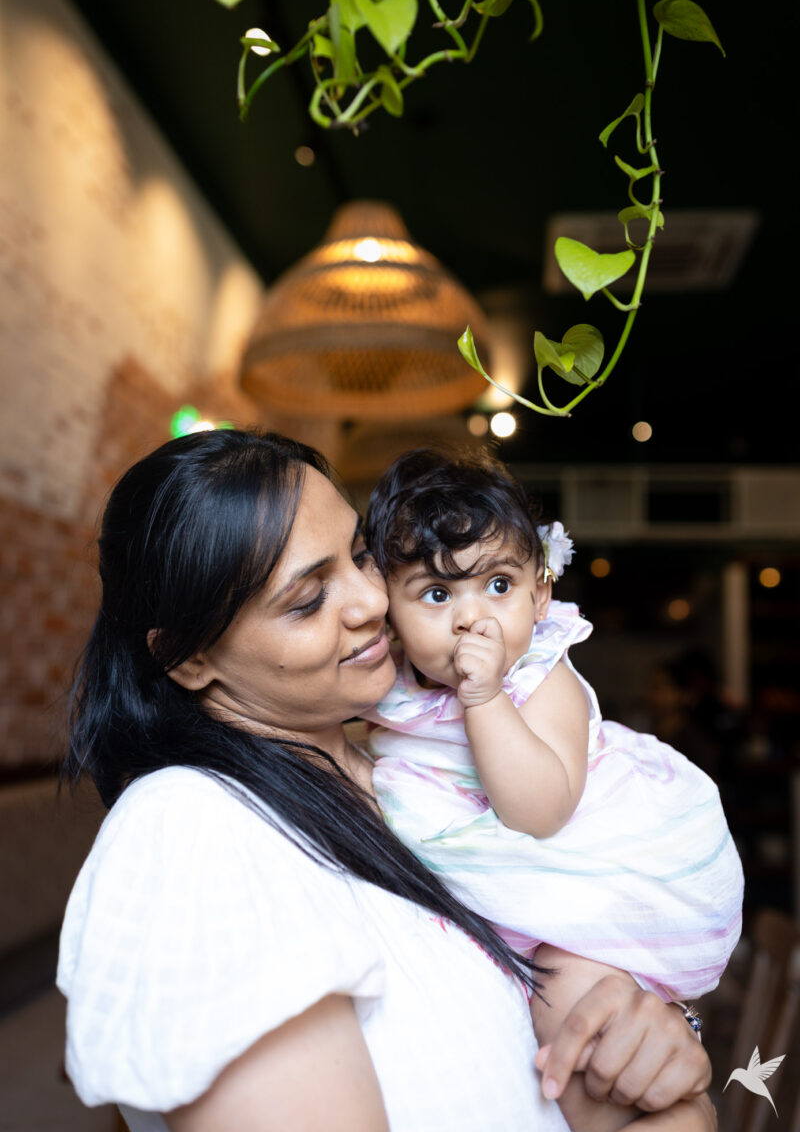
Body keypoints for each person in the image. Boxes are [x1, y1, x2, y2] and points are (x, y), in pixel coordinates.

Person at [58, 429, 716, 1132]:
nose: (373, 602)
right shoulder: (188, 829)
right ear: (189, 658)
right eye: (308, 599)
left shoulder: (411, 773)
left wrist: (658, 1035)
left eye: (361, 555)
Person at [362, 447, 743, 1006]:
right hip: (477, 901)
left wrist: (486, 698)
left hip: (580, 881)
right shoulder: (388, 685)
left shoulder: (539, 677)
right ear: (390, 617)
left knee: (565, 1000)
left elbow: (541, 811)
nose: (472, 618)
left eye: (498, 585)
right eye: (437, 595)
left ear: (539, 596)